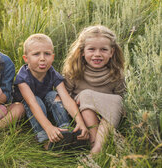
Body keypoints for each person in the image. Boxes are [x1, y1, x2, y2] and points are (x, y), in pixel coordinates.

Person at [13, 33, 88, 150]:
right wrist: (48, 127)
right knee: (36, 99)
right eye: (36, 54)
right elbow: (32, 103)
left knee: (53, 95)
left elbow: (66, 99)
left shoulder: (52, 73)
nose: (42, 58)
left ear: (52, 57)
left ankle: (66, 130)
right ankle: (45, 139)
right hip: (29, 111)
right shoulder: (23, 77)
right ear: (26, 58)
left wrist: (80, 121)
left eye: (47, 54)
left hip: (45, 105)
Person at [62, 25, 126, 154]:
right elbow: (65, 97)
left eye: (103, 49)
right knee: (85, 96)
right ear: (82, 52)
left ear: (111, 52)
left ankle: (96, 149)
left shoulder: (116, 74)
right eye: (91, 49)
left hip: (107, 120)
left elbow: (122, 102)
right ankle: (95, 144)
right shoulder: (74, 72)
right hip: (83, 117)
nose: (97, 54)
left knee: (117, 100)